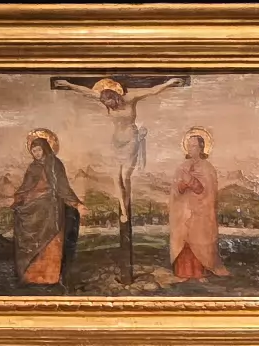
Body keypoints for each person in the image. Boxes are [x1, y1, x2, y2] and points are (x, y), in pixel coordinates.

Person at [52, 76, 186, 281]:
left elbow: (152, 90)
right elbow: (85, 92)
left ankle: (125, 208)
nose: (108, 105)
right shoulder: (102, 98)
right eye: (105, 103)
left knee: (125, 176)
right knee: (115, 177)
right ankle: (123, 209)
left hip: (131, 140)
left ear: (115, 95)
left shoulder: (131, 98)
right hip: (117, 142)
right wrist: (68, 85)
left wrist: (169, 83)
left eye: (109, 101)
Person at [13, 129, 82, 286]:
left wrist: (75, 202)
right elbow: (25, 186)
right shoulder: (32, 167)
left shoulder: (55, 164)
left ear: (45, 148)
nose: (37, 153)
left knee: (53, 237)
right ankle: (31, 276)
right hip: (34, 203)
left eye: (39, 150)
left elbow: (62, 186)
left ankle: (51, 276)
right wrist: (19, 198)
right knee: (20, 216)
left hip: (51, 203)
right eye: (34, 151)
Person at [168, 128, 227, 281]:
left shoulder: (207, 168)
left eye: (194, 146)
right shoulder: (182, 167)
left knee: (199, 239)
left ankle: (201, 272)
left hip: (201, 213)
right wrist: (182, 186)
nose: (190, 148)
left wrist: (192, 182)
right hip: (184, 212)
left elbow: (206, 191)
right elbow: (175, 190)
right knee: (184, 240)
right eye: (189, 145)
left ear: (201, 148)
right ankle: (183, 273)